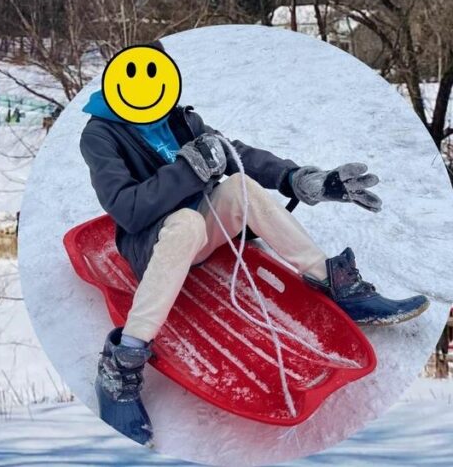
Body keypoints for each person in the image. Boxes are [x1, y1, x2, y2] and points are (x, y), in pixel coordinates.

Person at [80, 41, 429, 446]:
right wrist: (188, 171)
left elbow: (236, 154)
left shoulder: (179, 118)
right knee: (186, 224)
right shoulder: (100, 135)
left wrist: (297, 178)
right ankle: (121, 365)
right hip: (153, 244)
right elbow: (127, 210)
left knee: (239, 185)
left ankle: (333, 282)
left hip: (202, 230)